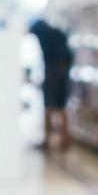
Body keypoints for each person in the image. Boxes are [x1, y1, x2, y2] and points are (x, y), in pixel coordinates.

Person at [30, 17, 73, 152]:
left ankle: (47, 141)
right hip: (65, 70)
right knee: (62, 106)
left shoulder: (42, 33)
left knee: (48, 106)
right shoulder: (58, 33)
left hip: (52, 70)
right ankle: (64, 140)